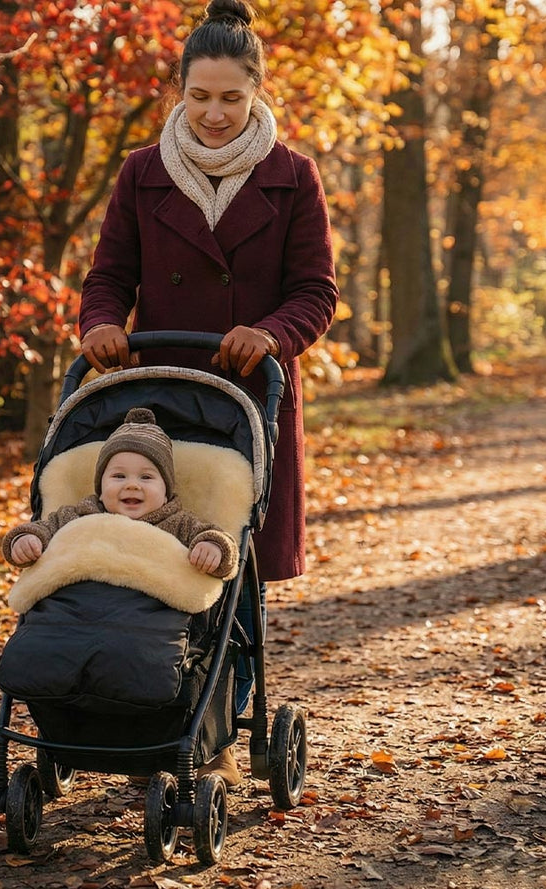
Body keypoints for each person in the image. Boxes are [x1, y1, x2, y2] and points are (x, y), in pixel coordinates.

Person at [78, 0, 339, 773]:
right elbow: (109, 275)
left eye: (232, 97)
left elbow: (316, 292)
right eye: (201, 96)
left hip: (248, 397)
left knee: (230, 557)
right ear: (179, 92)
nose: (215, 113)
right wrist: (100, 323)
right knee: (148, 543)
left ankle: (217, 726)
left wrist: (272, 334)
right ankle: (133, 702)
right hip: (159, 395)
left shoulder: (294, 176)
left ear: (256, 91)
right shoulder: (141, 172)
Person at [2, 407, 238, 580]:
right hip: (81, 606)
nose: (132, 485)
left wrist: (213, 547)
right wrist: (25, 540)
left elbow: (221, 540)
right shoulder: (80, 515)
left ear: (166, 493)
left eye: (146, 477)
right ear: (101, 490)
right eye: (118, 476)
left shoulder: (180, 523)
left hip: (150, 616)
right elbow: (44, 527)